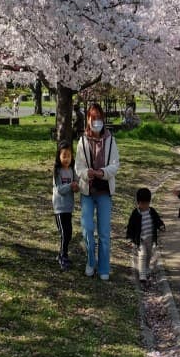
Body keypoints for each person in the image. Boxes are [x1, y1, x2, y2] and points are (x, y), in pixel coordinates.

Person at [74, 102, 120, 280]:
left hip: (104, 192)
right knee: (87, 229)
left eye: (99, 118)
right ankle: (90, 262)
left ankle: (104, 268)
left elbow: (115, 165)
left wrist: (102, 173)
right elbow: (78, 166)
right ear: (88, 119)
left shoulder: (110, 140)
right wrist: (87, 173)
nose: (97, 121)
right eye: (93, 118)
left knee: (104, 233)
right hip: (87, 191)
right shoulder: (82, 141)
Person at [125, 187, 165, 287]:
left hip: (150, 238)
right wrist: (130, 238)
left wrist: (161, 226)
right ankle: (142, 275)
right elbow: (130, 226)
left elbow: (157, 220)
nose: (144, 206)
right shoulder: (136, 213)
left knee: (149, 255)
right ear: (138, 203)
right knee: (142, 255)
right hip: (140, 239)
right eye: (142, 204)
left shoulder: (152, 211)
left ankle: (146, 268)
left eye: (146, 204)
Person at [52, 141, 76, 271]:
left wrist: (76, 187)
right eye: (64, 155)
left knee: (69, 233)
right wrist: (71, 186)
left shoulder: (72, 170)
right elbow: (60, 189)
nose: (67, 158)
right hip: (59, 207)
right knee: (64, 233)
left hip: (69, 207)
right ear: (59, 156)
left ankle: (63, 253)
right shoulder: (57, 171)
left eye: (69, 155)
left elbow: (76, 185)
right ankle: (63, 256)